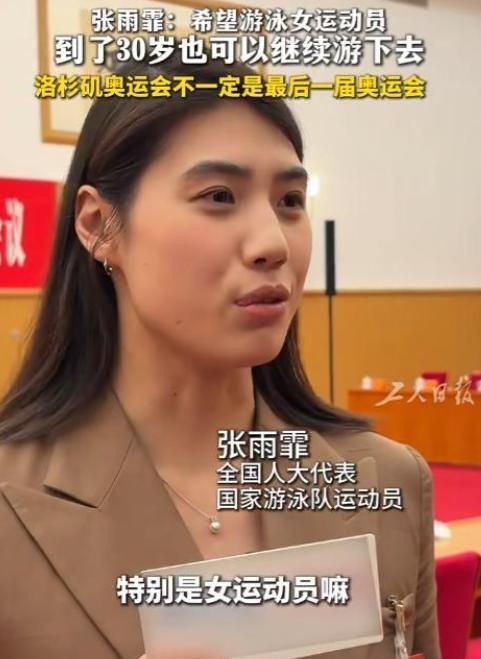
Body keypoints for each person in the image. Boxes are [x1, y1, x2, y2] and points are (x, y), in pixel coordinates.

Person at [0, 51, 440, 659]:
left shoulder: (389, 482)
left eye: (290, 201)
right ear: (99, 225)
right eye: (218, 195)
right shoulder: (12, 501)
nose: (272, 243)